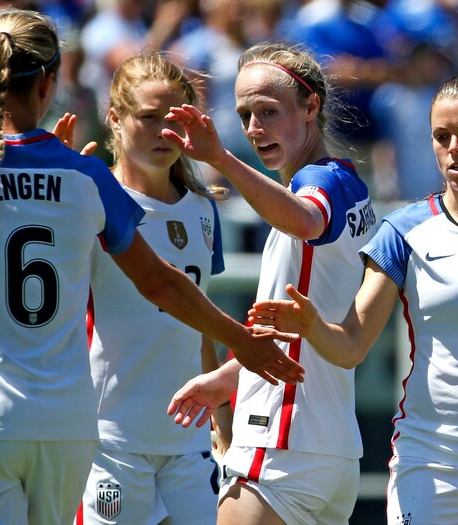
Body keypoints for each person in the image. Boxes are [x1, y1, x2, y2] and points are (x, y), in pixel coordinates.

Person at [0, 9, 303, 525]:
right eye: (149, 117)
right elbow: (162, 284)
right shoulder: (86, 177)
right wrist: (239, 338)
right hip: (75, 429)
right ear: (52, 80)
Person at [247, 74, 458, 524]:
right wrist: (312, 327)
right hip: (432, 462)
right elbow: (350, 346)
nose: (454, 148)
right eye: (441, 137)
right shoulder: (403, 231)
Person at [165, 41, 377, 524]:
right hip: (330, 447)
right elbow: (298, 332)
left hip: (281, 440)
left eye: (269, 111)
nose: (255, 128)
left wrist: (219, 158)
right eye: (244, 115)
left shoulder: (321, 183)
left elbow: (305, 220)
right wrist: (227, 378)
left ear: (311, 107)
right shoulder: (346, 185)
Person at [75, 53, 232, 525]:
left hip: (188, 444)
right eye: (148, 118)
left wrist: (221, 425)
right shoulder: (89, 203)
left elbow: (199, 320)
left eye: (174, 119)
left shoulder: (204, 209)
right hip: (110, 442)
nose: (164, 132)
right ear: (115, 119)